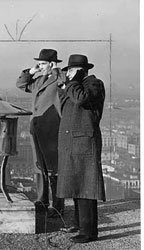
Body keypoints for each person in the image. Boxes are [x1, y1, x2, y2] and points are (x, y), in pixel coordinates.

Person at [56, 54, 106, 243]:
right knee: (77, 185)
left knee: (86, 187)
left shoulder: (94, 84)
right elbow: (64, 105)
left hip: (85, 143)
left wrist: (74, 81)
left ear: (80, 71)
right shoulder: (74, 86)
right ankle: (79, 224)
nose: (67, 74)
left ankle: (89, 232)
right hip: (72, 142)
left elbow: (80, 100)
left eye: (70, 70)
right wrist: (65, 86)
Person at [16, 48, 65, 217]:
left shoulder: (57, 77)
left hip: (51, 129)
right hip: (36, 128)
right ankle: (42, 201)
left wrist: (54, 70)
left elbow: (64, 81)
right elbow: (21, 84)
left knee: (54, 169)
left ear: (51, 63)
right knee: (39, 167)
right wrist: (31, 71)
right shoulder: (39, 81)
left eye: (43, 63)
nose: (40, 66)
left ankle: (58, 205)